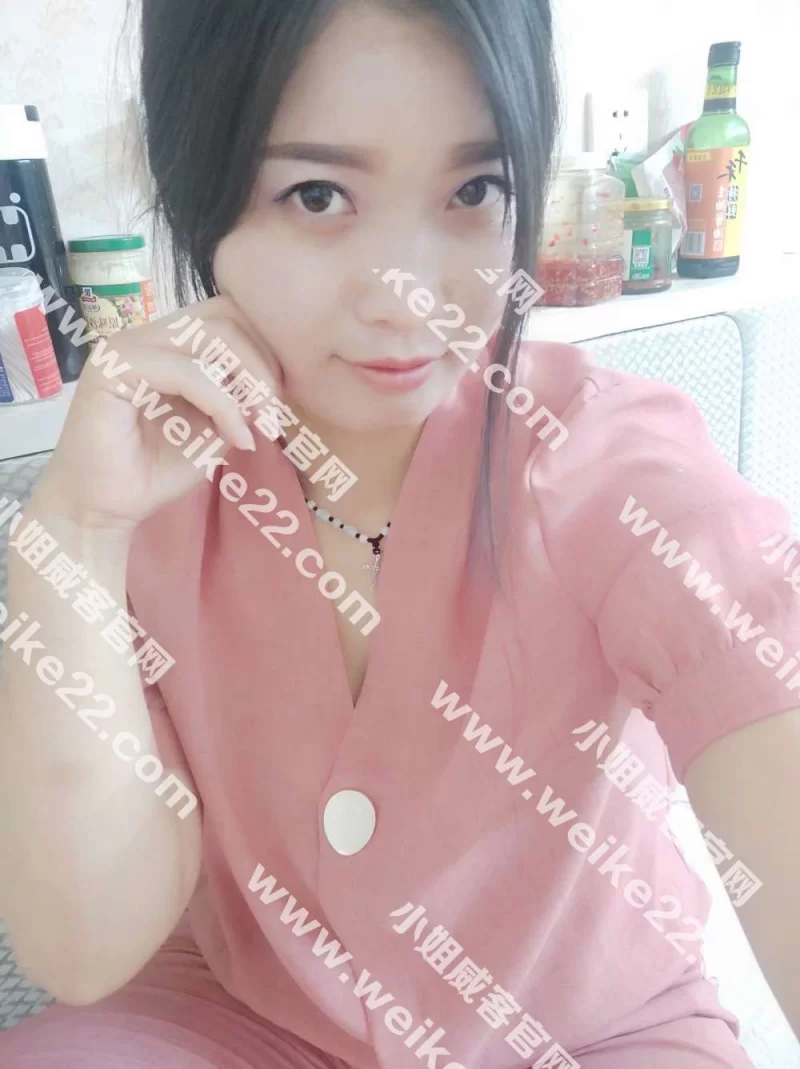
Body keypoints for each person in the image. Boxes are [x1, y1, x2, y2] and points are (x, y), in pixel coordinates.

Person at [1, 1, 798, 1066]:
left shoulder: (604, 460)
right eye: (317, 195)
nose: (409, 296)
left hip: (586, 1034)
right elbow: (85, 947)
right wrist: (77, 528)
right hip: (250, 1019)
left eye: (474, 190)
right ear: (201, 193)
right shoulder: (153, 478)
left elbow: (752, 650)